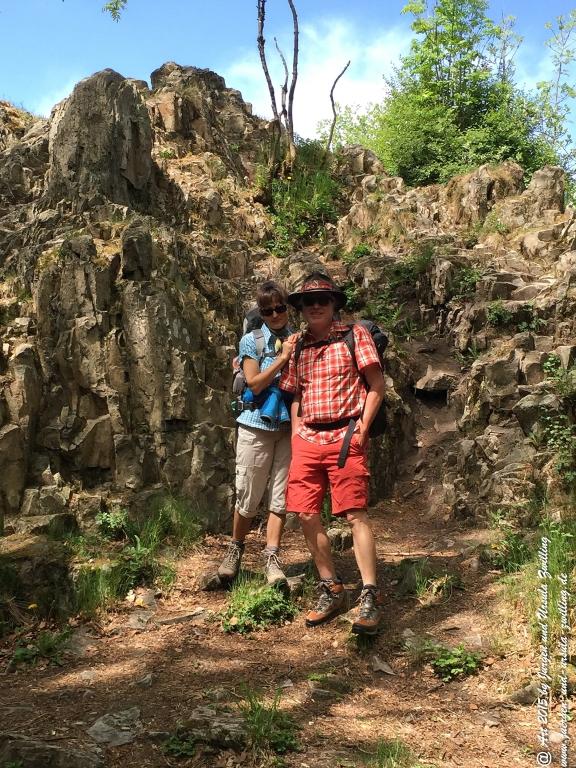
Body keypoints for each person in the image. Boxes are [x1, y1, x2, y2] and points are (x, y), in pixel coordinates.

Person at [279, 272, 385, 635]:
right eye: (308, 301)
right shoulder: (297, 346)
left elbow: (376, 384)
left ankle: (370, 594)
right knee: (306, 514)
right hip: (308, 438)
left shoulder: (355, 336)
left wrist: (363, 428)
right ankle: (331, 587)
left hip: (345, 436)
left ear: (335, 302)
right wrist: (295, 436)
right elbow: (295, 394)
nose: (315, 305)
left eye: (322, 298)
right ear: (301, 308)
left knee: (355, 514)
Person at [218, 280, 296, 586]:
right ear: (261, 313)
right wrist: (282, 358)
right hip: (255, 424)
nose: (275, 315)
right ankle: (235, 549)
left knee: (280, 496)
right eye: (268, 310)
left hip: (289, 425)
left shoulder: (297, 338)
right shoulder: (252, 341)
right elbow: (254, 383)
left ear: (287, 308)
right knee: (248, 493)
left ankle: (272, 558)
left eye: (280, 308)